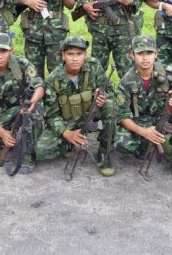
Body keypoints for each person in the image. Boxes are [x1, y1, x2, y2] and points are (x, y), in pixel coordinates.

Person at [35, 36, 117, 177]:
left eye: (79, 54)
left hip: (91, 114)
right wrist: (67, 133)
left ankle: (104, 153)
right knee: (42, 151)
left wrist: (103, 97)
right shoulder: (53, 79)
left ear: (85, 54)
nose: (75, 59)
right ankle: (69, 143)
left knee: (111, 105)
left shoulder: (94, 66)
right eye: (70, 54)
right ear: (63, 55)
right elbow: (51, 115)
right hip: (67, 121)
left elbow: (110, 91)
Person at [0, 33, 45, 174]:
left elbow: (39, 85)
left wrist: (33, 100)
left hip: (26, 107)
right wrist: (1, 132)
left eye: (3, 51)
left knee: (34, 113)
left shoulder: (23, 64)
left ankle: (28, 153)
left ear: (11, 50)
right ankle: (8, 137)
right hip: (4, 113)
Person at [114, 35, 172, 162]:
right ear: (132, 55)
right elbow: (122, 115)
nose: (145, 58)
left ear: (156, 54)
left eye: (149, 52)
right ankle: (146, 146)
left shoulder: (169, 75)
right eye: (140, 53)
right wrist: (144, 132)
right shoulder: (127, 81)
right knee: (121, 143)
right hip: (142, 122)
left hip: (165, 120)